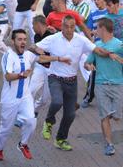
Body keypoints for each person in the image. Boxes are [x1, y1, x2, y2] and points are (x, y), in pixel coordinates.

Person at [32, 15, 113, 151]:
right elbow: (34, 47)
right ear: (61, 26)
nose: (69, 29)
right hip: (55, 78)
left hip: (72, 81)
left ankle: (60, 139)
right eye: (66, 26)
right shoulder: (53, 39)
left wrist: (111, 53)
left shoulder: (80, 40)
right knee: (57, 101)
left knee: (70, 114)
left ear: (74, 26)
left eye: (71, 26)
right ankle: (49, 121)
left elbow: (97, 50)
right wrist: (38, 50)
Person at [0, 29, 71, 160]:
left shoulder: (28, 54)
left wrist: (58, 59)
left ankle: (23, 144)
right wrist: (21, 75)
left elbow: (41, 58)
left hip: (25, 97)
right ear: (13, 41)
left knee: (31, 121)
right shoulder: (8, 56)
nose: (23, 42)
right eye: (19, 39)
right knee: (5, 129)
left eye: (24, 39)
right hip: (9, 99)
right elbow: (7, 76)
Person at [84, 18, 123, 156]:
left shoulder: (119, 45)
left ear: (103, 29)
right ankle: (109, 144)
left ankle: (112, 113)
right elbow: (87, 63)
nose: (95, 31)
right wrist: (89, 66)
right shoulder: (97, 45)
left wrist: (119, 59)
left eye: (97, 29)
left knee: (117, 116)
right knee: (103, 116)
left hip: (117, 84)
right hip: (100, 85)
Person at [82, 0, 108, 108]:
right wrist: (92, 39)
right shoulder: (93, 14)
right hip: (98, 48)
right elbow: (88, 30)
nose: (96, 2)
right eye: (95, 0)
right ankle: (88, 97)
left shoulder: (110, 13)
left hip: (111, 47)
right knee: (94, 73)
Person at [30, 15, 54, 115]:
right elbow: (34, 48)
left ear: (38, 24)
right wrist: (35, 49)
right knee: (31, 90)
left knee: (45, 99)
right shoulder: (36, 36)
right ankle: (27, 113)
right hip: (40, 66)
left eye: (33, 25)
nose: (32, 27)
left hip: (51, 69)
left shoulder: (52, 35)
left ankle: (35, 110)